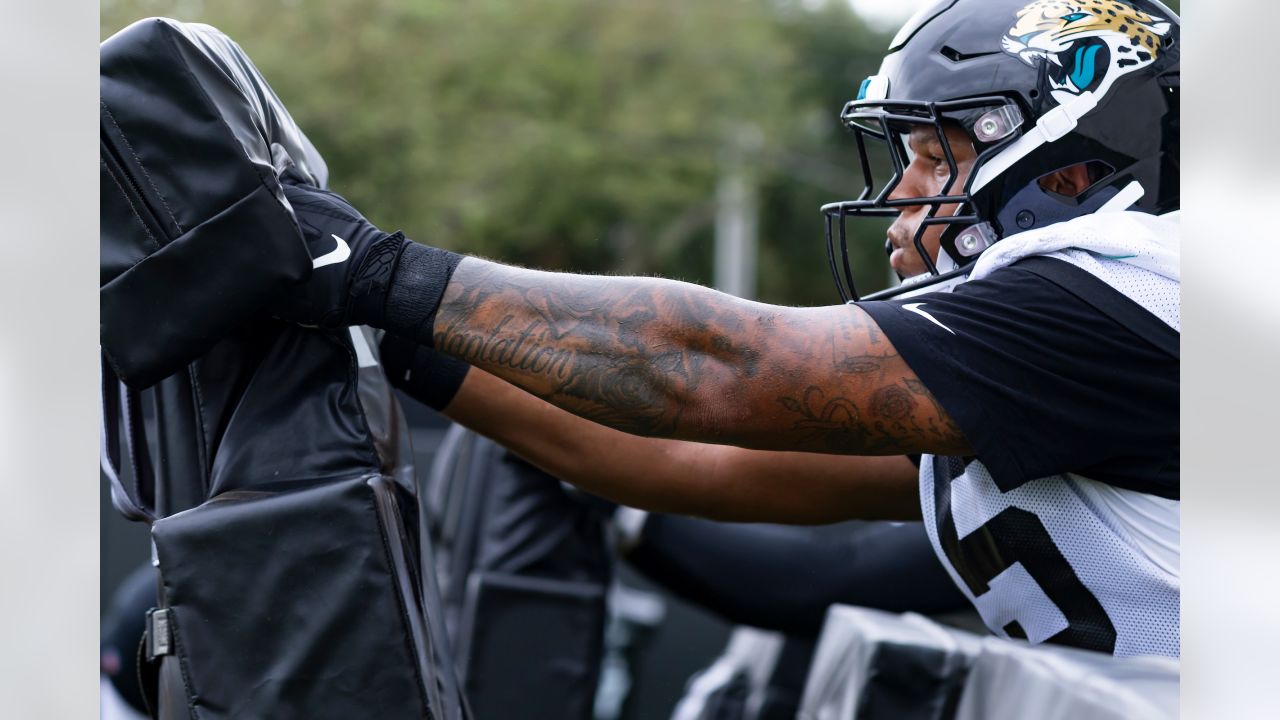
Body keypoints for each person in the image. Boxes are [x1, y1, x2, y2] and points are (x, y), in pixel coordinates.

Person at [269, 0, 1179, 657]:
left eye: (938, 156)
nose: (903, 194)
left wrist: (376, 270)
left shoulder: (1143, 287)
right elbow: (688, 459)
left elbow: (716, 371)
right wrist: (398, 340)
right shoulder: (1048, 357)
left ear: (1071, 171)